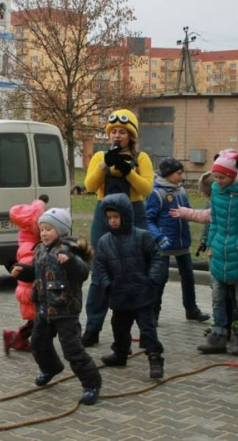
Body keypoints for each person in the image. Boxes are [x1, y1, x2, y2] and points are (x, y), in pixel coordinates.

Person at [82, 108, 155, 347]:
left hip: (134, 213)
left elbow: (147, 190)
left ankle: (146, 331)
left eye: (122, 131)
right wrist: (104, 165)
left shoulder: (141, 157)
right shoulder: (99, 156)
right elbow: (90, 185)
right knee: (99, 273)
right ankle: (92, 328)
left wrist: (129, 172)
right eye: (113, 131)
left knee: (138, 273)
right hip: (104, 213)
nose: (117, 135)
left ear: (130, 135)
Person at [29, 207, 102, 405]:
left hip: (65, 310)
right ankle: (50, 367)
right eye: (42, 229)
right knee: (37, 342)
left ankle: (92, 383)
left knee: (72, 349)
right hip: (44, 309)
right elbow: (36, 273)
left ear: (60, 231)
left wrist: (70, 262)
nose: (43, 233)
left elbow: (83, 272)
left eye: (48, 229)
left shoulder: (68, 250)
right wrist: (22, 270)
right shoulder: (39, 250)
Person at [93, 194, 166, 378]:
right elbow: (100, 267)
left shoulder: (143, 236)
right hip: (119, 294)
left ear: (125, 216)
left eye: (116, 217)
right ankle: (120, 353)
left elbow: (157, 258)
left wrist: (151, 280)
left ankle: (155, 359)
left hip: (142, 293)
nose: (113, 221)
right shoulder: (104, 242)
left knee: (147, 329)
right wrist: (108, 285)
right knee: (119, 326)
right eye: (109, 218)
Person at [196, 152, 238, 356]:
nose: (218, 181)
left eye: (222, 177)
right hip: (220, 254)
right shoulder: (217, 191)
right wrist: (212, 243)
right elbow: (215, 218)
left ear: (232, 175)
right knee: (218, 297)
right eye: (215, 177)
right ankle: (218, 335)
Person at [146, 157, 209, 322]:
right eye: (179, 173)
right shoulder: (156, 193)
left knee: (188, 277)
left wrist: (198, 213)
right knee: (160, 279)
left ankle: (191, 309)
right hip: (164, 245)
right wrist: (159, 237)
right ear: (168, 174)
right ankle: (153, 313)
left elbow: (188, 210)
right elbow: (148, 219)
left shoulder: (181, 191)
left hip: (182, 243)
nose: (181, 177)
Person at [3, 195, 48, 355]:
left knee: (35, 322)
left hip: (30, 290)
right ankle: (14, 337)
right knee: (37, 322)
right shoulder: (30, 247)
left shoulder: (27, 241)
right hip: (30, 291)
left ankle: (19, 340)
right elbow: (30, 270)